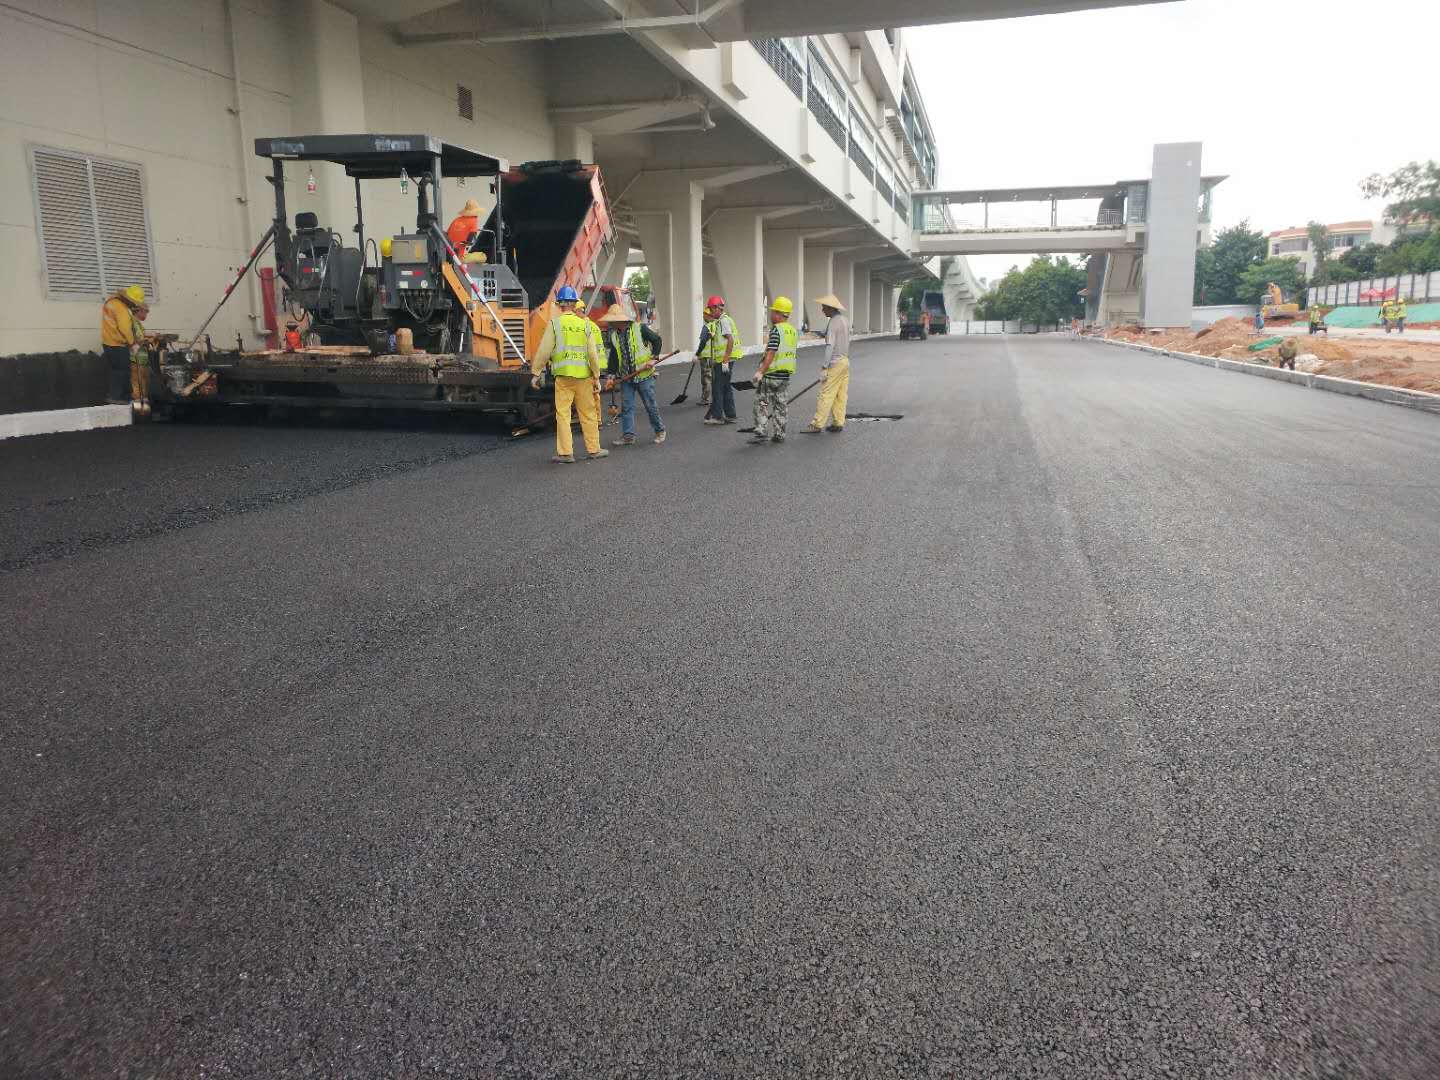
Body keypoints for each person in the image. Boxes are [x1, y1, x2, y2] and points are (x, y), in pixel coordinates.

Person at [530, 285, 608, 463]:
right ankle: (594, 449)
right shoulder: (585, 325)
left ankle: (566, 453)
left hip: (563, 378)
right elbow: (592, 354)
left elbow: (544, 351)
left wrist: (536, 372)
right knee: (588, 414)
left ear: (559, 305)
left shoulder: (555, 325)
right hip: (584, 377)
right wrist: (596, 376)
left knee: (563, 415)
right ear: (574, 304)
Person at [599, 304, 666, 446]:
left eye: (612, 321)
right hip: (626, 378)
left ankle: (660, 431)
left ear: (620, 320)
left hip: (644, 375)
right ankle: (628, 436)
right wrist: (610, 376)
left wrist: (653, 358)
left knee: (650, 405)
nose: (610, 323)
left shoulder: (639, 328)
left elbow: (657, 340)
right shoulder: (614, 335)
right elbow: (614, 357)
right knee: (627, 407)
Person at [749, 297, 797, 444]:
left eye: (773, 312)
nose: (771, 315)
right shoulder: (792, 331)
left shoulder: (777, 330)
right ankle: (780, 434)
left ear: (778, 313)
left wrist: (760, 371)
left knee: (762, 402)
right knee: (780, 405)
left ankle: (761, 430)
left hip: (771, 374)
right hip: (785, 376)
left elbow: (771, 352)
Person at [803, 293, 850, 435]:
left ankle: (816, 424)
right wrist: (817, 333)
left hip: (835, 362)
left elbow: (830, 346)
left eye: (824, 307)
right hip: (845, 362)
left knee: (826, 394)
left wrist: (824, 367)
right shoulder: (843, 320)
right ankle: (838, 422)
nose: (822, 310)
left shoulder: (833, 323)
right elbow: (827, 333)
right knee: (840, 395)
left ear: (830, 308)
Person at [698, 295, 741, 426]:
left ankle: (717, 417)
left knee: (717, 388)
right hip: (726, 359)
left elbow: (730, 339)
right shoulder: (723, 320)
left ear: (717, 308)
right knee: (726, 387)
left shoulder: (723, 321)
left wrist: (725, 360)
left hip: (724, 360)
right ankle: (731, 415)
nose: (710, 312)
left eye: (711, 309)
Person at [100, 285, 146, 404]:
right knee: (123, 371)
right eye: (134, 302)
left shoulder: (111, 302)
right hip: (117, 343)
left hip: (108, 342)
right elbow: (125, 328)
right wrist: (132, 343)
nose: (134, 305)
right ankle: (118, 397)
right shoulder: (121, 308)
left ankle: (119, 396)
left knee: (116, 370)